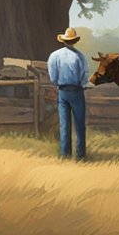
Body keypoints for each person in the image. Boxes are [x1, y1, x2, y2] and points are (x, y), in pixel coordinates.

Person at [48, 26, 89, 160]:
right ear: (74, 41)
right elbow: (85, 75)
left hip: (62, 92)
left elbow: (53, 77)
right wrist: (81, 84)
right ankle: (81, 155)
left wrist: (58, 82)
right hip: (77, 91)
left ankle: (65, 155)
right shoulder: (80, 56)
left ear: (64, 40)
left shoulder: (54, 56)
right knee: (80, 125)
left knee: (64, 125)